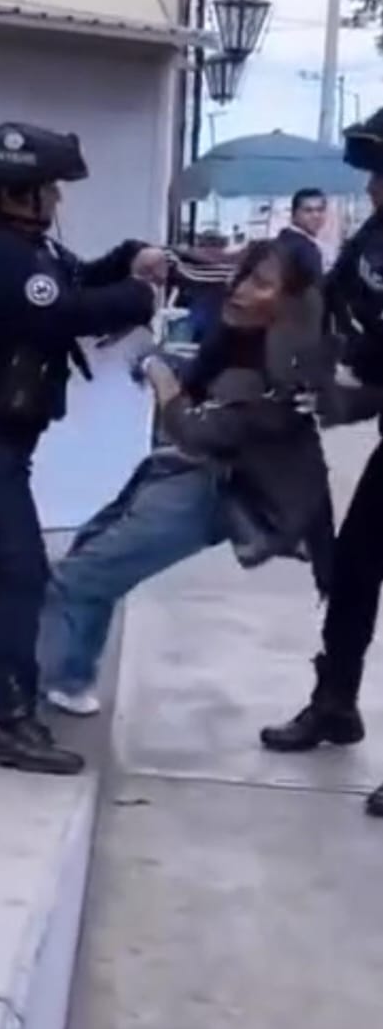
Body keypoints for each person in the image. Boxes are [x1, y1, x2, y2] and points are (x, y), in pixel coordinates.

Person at [0, 121, 164, 775]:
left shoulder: (20, 248)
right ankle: (10, 719)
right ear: (12, 193)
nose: (56, 198)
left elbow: (72, 281)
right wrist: (138, 295)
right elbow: (59, 313)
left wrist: (128, 257)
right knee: (16, 573)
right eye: (47, 187)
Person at [37, 241, 332, 716]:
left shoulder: (284, 379)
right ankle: (67, 680)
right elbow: (194, 274)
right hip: (185, 468)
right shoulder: (239, 333)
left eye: (261, 283)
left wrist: (157, 370)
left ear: (292, 303)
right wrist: (149, 261)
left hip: (211, 486)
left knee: (80, 576)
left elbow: (193, 429)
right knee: (90, 553)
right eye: (243, 275)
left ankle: (23, 699)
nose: (240, 289)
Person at [261, 110, 383, 803]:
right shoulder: (373, 237)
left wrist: (356, 390)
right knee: (354, 568)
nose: (371, 188)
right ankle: (334, 700)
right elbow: (332, 303)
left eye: (381, 175)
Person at [278, 187, 328, 282]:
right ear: (294, 214)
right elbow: (315, 287)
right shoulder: (304, 249)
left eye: (320, 210)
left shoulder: (284, 238)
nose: (316, 216)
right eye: (308, 211)